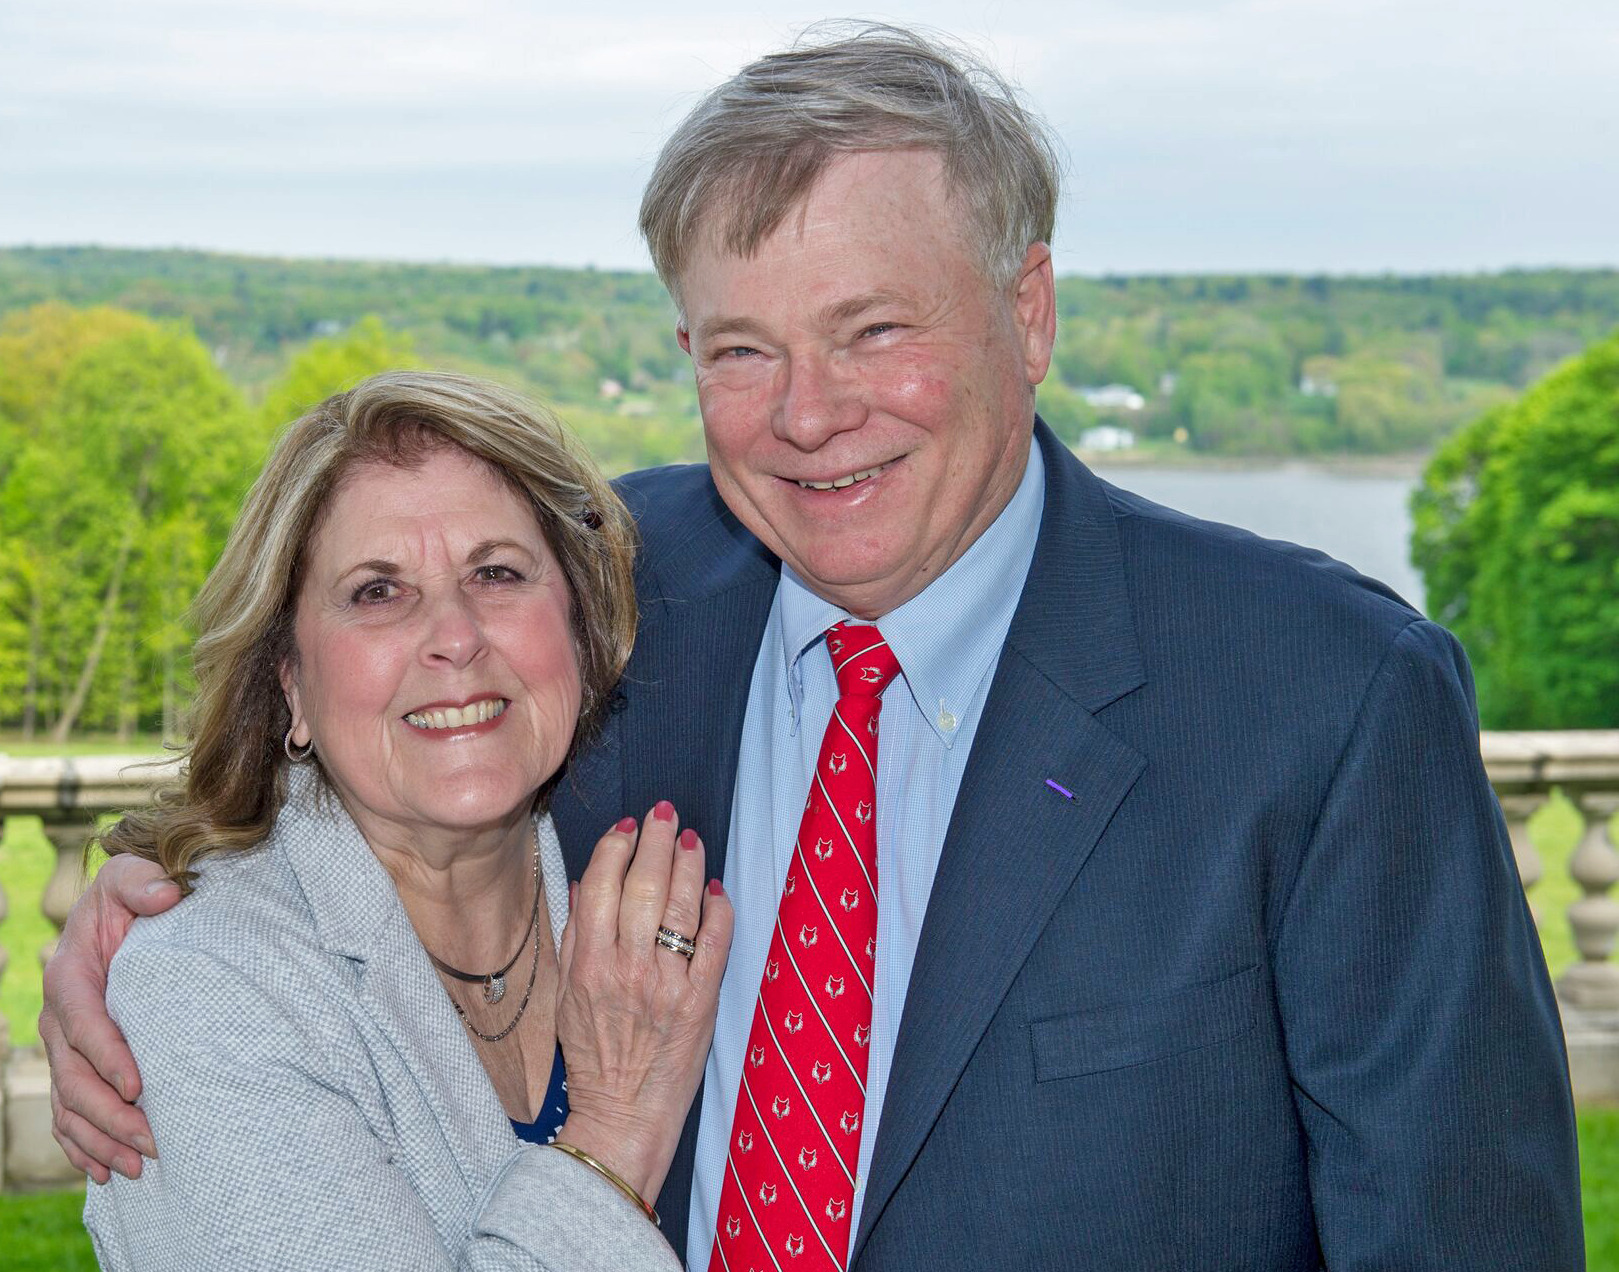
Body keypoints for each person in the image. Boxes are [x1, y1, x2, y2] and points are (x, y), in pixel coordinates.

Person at [45, 24, 1583, 1272]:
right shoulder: (599, 598)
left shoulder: (1317, 696)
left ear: (1026, 312)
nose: (805, 414)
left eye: (874, 331)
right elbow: (376, 739)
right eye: (741, 350)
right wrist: (159, 907)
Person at [72, 371, 733, 1270]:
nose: (454, 635)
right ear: (290, 684)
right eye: (376, 592)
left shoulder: (637, 870)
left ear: (580, 632)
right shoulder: (210, 991)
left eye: (495, 573)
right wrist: (615, 1132)